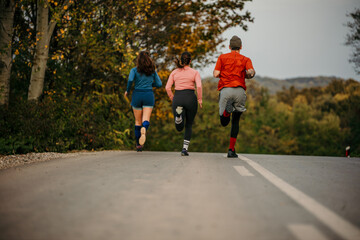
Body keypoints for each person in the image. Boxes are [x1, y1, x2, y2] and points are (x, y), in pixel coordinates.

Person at [213, 35, 255, 158]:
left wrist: (223, 73)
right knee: (235, 121)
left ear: (229, 46)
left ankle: (226, 112)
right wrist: (248, 75)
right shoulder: (246, 59)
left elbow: (216, 74)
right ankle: (231, 150)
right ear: (241, 47)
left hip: (226, 90)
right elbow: (251, 72)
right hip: (240, 91)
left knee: (224, 122)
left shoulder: (222, 57)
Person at [165, 52, 202, 156]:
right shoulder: (195, 72)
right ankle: (184, 149)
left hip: (178, 97)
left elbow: (167, 87)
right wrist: (200, 99)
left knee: (179, 128)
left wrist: (173, 98)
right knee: (189, 125)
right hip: (190, 98)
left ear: (181, 60)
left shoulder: (174, 72)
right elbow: (198, 87)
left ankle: (178, 116)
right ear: (190, 61)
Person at [125, 51, 162, 151]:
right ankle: (144, 129)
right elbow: (159, 84)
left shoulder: (134, 70)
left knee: (137, 121)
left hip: (137, 95)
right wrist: (150, 85)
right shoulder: (152, 71)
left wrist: (127, 90)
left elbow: (130, 80)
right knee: (145, 119)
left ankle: (138, 145)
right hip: (148, 95)